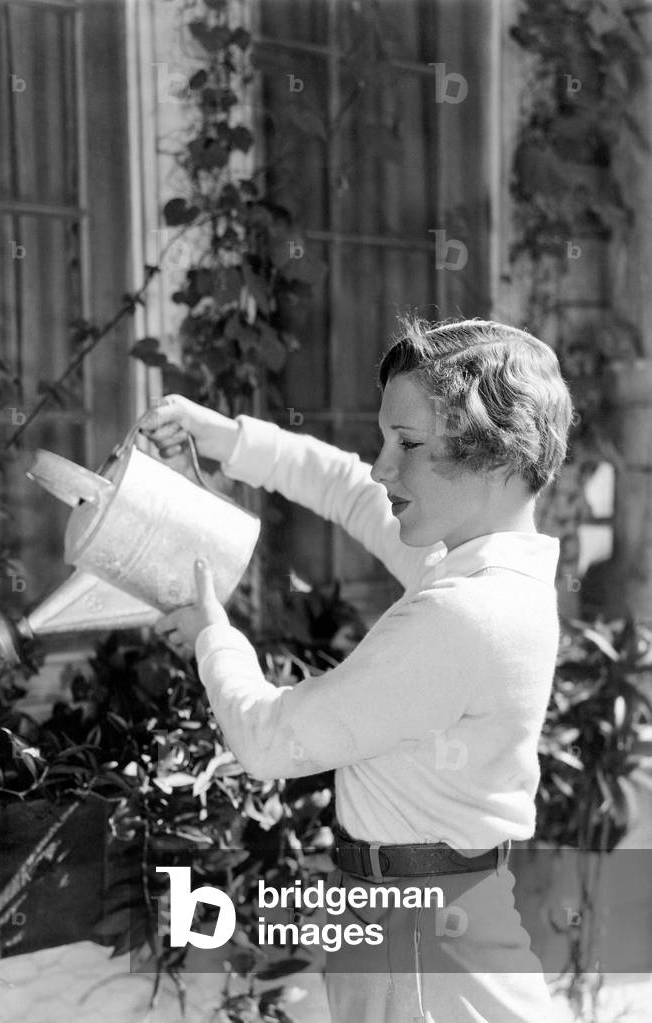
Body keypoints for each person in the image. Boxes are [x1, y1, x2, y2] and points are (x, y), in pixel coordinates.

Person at [138, 316, 574, 1023]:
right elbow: (347, 486)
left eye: (407, 444)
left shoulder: (460, 616)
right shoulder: (488, 567)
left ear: (494, 457)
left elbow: (270, 739)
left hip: (422, 955)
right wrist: (231, 440)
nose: (382, 465)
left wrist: (212, 636)